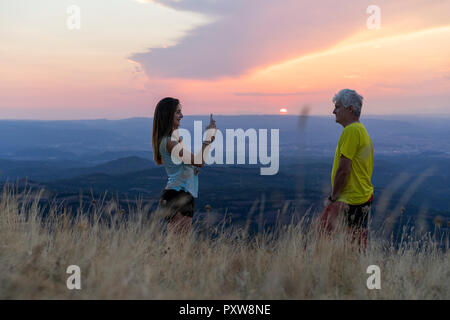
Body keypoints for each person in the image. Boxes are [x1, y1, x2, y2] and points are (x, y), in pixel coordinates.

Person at [152, 97, 216, 234]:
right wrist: (208, 139)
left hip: (181, 194)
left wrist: (190, 170)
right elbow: (199, 161)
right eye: (178, 112)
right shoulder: (169, 142)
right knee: (179, 247)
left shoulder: (173, 139)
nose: (182, 115)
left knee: (179, 247)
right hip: (177, 195)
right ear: (168, 114)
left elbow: (189, 164)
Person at [319, 89, 374, 248]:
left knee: (320, 238)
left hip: (348, 199)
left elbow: (344, 170)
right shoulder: (361, 130)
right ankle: (353, 270)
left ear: (350, 109)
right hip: (361, 198)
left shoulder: (351, 131)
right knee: (356, 244)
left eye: (338, 107)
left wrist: (333, 198)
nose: (333, 111)